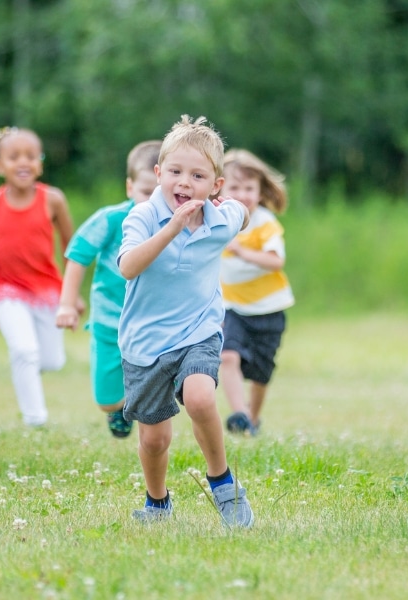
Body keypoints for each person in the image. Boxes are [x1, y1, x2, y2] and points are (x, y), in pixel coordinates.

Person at [118, 115, 254, 527]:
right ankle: (157, 502)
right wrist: (172, 228)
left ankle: (222, 482)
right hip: (145, 343)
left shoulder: (219, 217)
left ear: (214, 185)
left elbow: (241, 213)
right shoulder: (142, 217)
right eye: (175, 172)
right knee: (154, 439)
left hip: (199, 331)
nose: (183, 182)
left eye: (197, 175)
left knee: (199, 398)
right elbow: (127, 266)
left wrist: (236, 211)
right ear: (158, 174)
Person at [56, 140, 162, 438]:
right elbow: (78, 254)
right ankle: (119, 407)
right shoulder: (112, 219)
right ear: (129, 187)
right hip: (109, 321)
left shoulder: (175, 226)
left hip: (153, 323)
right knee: (106, 400)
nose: (151, 202)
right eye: (145, 192)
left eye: (159, 193)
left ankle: (147, 409)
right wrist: (67, 303)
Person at [0, 127, 77, 427]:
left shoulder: (53, 200)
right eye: (14, 157)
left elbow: (73, 248)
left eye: (31, 156)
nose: (23, 162)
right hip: (6, 289)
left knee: (50, 361)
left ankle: (29, 367)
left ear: (40, 163)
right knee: (24, 350)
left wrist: (72, 296)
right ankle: (36, 420)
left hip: (47, 290)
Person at [218, 149, 294, 436]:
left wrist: (241, 250)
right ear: (220, 188)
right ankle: (239, 414)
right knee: (228, 355)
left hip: (269, 310)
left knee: (262, 373)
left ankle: (253, 417)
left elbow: (276, 261)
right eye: (234, 187)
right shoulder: (218, 220)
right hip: (232, 307)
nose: (242, 194)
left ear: (261, 192)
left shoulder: (265, 223)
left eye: (249, 188)